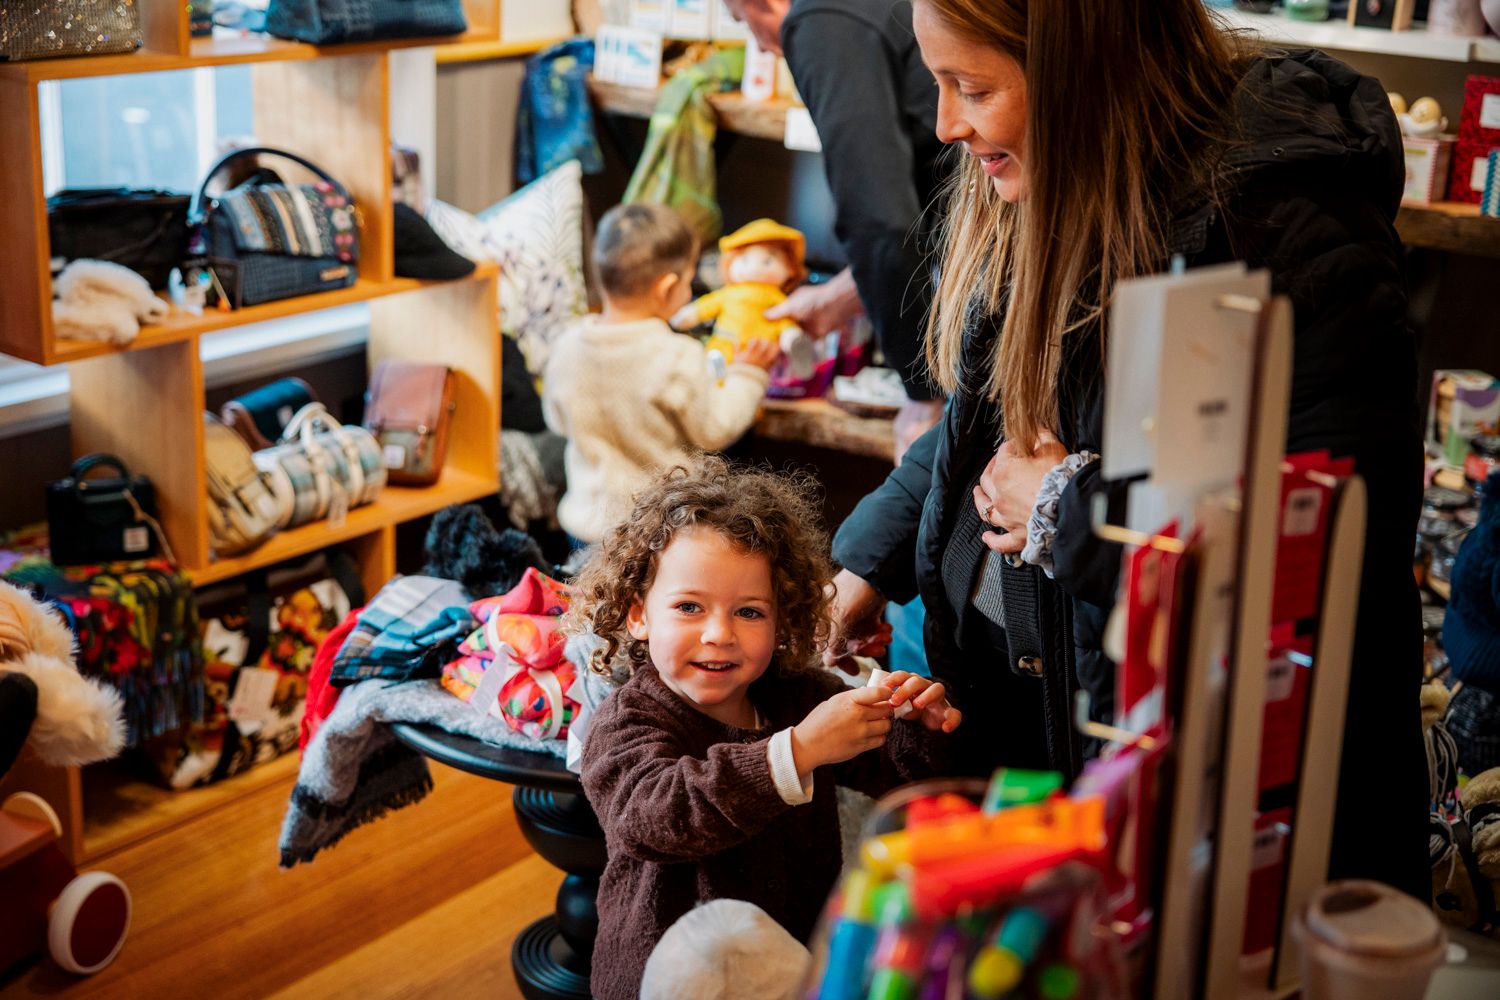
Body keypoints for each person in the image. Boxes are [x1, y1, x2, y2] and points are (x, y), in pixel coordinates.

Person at [827, 0, 1426, 901]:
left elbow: (1325, 543)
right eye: (939, 84)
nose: (948, 123)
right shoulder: (1046, 188)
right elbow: (985, 426)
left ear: (1080, 69)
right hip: (1038, 733)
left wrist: (1070, 508)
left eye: (974, 87)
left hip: (1206, 811)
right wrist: (865, 560)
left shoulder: (1283, 228)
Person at [571, 459, 961, 1000]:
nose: (718, 634)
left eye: (749, 612)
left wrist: (915, 725)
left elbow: (897, 776)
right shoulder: (626, 721)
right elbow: (657, 817)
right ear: (638, 615)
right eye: (689, 607)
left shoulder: (800, 696)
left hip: (790, 970)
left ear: (783, 619)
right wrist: (797, 753)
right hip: (663, 982)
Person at [722, 0, 949, 458]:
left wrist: (922, 394)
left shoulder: (818, 20)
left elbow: (881, 224)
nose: (762, 49)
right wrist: (839, 297)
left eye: (746, 22)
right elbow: (913, 193)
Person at [542, 203, 778, 546]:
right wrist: (749, 373)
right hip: (659, 530)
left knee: (597, 599)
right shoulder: (676, 355)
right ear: (667, 288)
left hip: (585, 529)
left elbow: (557, 422)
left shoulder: (566, 347)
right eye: (689, 278)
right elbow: (715, 428)